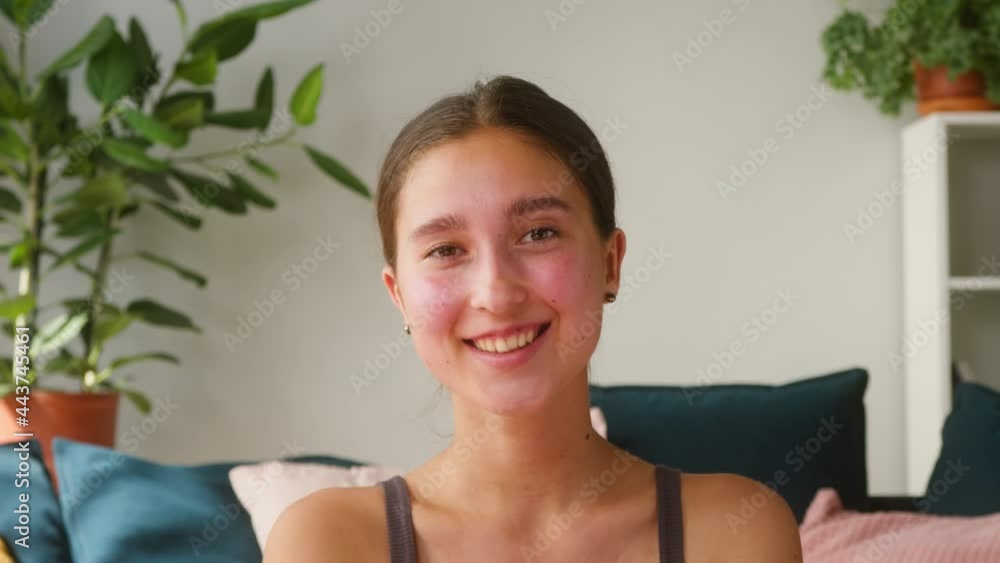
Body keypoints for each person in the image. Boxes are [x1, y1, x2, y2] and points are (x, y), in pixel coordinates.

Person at [264, 75, 802, 563]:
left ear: (610, 264)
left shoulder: (735, 530)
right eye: (446, 250)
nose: (496, 294)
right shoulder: (327, 541)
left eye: (538, 233)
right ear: (399, 295)